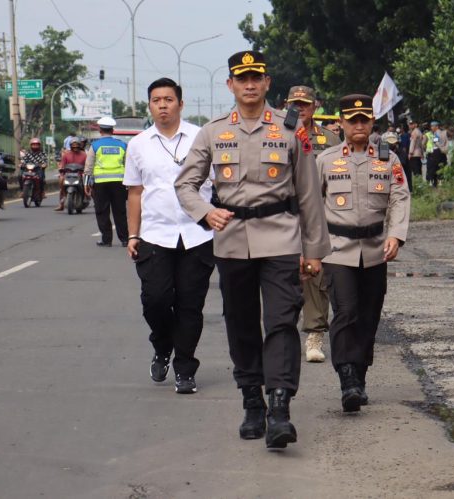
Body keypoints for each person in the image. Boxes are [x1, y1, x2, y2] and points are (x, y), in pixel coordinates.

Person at [174, 51, 330, 449]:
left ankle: (279, 408)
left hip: (280, 236)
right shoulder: (211, 132)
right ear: (230, 84)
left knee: (280, 321)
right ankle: (252, 402)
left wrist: (314, 250)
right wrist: (206, 213)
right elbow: (185, 185)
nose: (248, 85)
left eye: (255, 78)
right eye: (241, 78)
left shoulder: (290, 128)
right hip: (231, 242)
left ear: (266, 84)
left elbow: (310, 194)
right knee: (240, 323)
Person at [317, 94, 410, 411]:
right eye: (352, 120)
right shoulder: (326, 160)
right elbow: (312, 205)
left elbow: (400, 198)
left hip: (374, 249)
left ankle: (360, 372)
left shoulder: (389, 160)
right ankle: (347, 378)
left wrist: (396, 236)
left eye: (364, 120)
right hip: (336, 250)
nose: (359, 125)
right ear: (341, 123)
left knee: (369, 315)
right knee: (346, 312)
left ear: (372, 123)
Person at [124, 78, 214, 395]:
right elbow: (135, 193)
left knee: (190, 305)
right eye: (156, 100)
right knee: (156, 300)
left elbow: (217, 186)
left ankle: (185, 368)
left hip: (198, 235)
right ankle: (162, 346)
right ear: (149, 105)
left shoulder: (201, 139)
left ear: (180, 103)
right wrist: (133, 235)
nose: (163, 105)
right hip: (154, 235)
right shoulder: (138, 145)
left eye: (169, 99)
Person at [285, 84, 341, 363]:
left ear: (314, 106)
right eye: (294, 103)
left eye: (304, 104)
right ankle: (282, 329)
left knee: (315, 275)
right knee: (280, 274)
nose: (299, 108)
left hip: (318, 216)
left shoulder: (330, 140)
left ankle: (315, 333)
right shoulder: (275, 133)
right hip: (281, 216)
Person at [84, 117, 129, 246]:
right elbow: (128, 165)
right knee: (120, 211)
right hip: (119, 183)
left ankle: (106, 239)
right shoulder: (122, 145)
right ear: (113, 130)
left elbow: (89, 167)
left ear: (99, 130)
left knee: (102, 211)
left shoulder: (95, 146)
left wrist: (87, 184)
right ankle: (125, 239)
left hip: (100, 184)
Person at [56, 137, 87, 211]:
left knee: (88, 183)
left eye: (77, 146)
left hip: (80, 174)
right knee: (61, 180)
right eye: (73, 146)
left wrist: (86, 171)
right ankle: (62, 202)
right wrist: (61, 169)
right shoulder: (66, 155)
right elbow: (62, 164)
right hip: (68, 174)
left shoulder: (84, 155)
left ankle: (87, 197)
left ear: (80, 146)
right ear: (70, 146)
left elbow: (87, 165)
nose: (75, 147)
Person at [424, 121, 448, 186]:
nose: (431, 128)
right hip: (443, 152)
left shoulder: (436, 133)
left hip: (436, 152)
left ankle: (434, 183)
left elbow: (436, 142)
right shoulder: (444, 133)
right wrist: (444, 149)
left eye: (432, 126)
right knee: (442, 166)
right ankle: (441, 182)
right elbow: (446, 142)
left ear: (436, 126)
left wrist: (440, 148)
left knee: (434, 167)